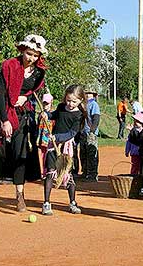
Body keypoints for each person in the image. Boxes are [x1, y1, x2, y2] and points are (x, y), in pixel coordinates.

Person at [0, 34, 47, 212]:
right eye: (29, 54)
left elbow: (33, 92)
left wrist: (23, 97)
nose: (31, 58)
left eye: (35, 55)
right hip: (2, 114)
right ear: (22, 50)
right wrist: (4, 120)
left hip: (22, 116)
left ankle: (20, 195)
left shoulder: (39, 72)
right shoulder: (9, 65)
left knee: (21, 155)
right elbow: (1, 93)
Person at [41, 85, 86, 215]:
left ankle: (72, 202)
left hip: (66, 148)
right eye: (68, 100)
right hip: (53, 146)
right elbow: (54, 115)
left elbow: (72, 133)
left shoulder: (79, 115)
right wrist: (47, 115)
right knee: (50, 172)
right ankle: (46, 203)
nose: (70, 104)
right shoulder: (61, 107)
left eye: (74, 101)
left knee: (68, 175)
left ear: (80, 100)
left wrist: (58, 137)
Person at [80, 88, 101, 182]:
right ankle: (85, 172)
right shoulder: (83, 104)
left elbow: (96, 118)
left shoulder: (94, 104)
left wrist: (92, 130)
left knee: (92, 153)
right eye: (86, 93)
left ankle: (92, 174)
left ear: (93, 95)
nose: (88, 95)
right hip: (83, 132)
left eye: (90, 93)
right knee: (83, 154)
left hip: (90, 133)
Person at [36, 93, 54, 178]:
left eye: (47, 103)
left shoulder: (53, 113)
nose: (45, 105)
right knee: (41, 154)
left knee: (49, 154)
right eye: (44, 103)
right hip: (41, 138)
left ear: (51, 103)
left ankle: (50, 172)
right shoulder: (41, 114)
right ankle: (42, 173)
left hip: (49, 138)